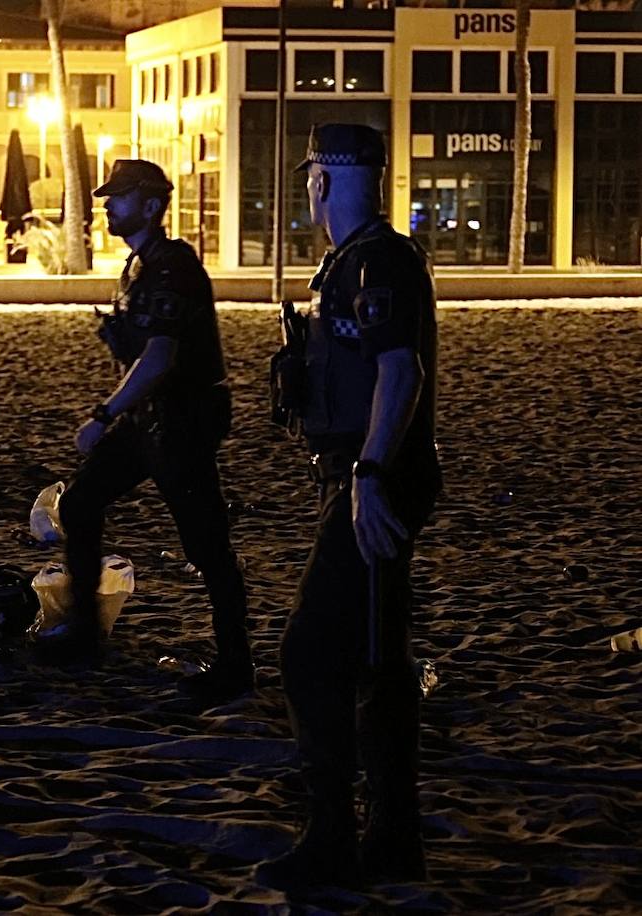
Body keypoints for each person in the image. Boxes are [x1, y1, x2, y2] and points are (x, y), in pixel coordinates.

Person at [254, 124, 441, 890]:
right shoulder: (355, 260)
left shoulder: (376, 261)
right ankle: (391, 841)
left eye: (311, 180)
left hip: (375, 478)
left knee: (313, 653)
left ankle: (337, 836)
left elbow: (402, 369)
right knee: (376, 656)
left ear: (321, 183)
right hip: (360, 473)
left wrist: (367, 472)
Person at [43, 159, 251, 692]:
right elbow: (144, 353)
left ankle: (235, 663)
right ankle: (86, 630)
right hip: (148, 422)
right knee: (81, 502)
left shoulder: (172, 266)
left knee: (206, 545)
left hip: (182, 423)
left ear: (153, 205)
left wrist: (102, 414)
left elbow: (160, 357)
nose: (107, 204)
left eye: (119, 196)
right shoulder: (137, 267)